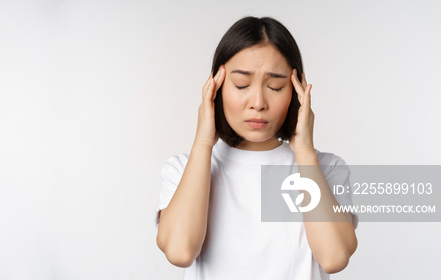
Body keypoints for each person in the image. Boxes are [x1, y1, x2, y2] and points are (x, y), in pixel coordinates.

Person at [154, 16, 359, 279]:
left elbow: (334, 257)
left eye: (275, 86)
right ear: (215, 88)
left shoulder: (327, 170)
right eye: (241, 85)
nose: (258, 102)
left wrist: (305, 152)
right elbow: (180, 252)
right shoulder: (183, 169)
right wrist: (203, 144)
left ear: (296, 92)